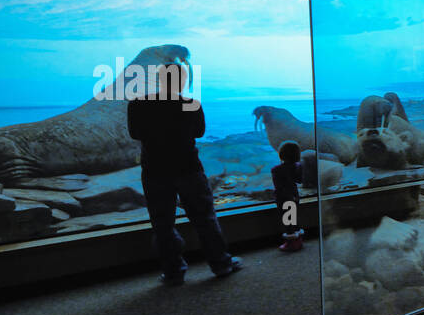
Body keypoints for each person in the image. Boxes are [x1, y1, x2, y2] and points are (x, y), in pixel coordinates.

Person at [126, 59, 243, 285]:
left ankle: (173, 272)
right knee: (205, 219)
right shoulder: (192, 104)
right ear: (183, 81)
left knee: (162, 223)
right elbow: (199, 132)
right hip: (188, 167)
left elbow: (135, 133)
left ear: (159, 79)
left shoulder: (138, 104)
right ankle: (221, 264)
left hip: (154, 170)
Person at [271, 140, 304, 252]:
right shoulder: (298, 166)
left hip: (283, 198)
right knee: (294, 218)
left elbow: (278, 186)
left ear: (281, 154)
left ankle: (291, 243)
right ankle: (298, 240)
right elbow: (299, 181)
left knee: (287, 221)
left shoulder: (276, 170)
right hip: (294, 195)